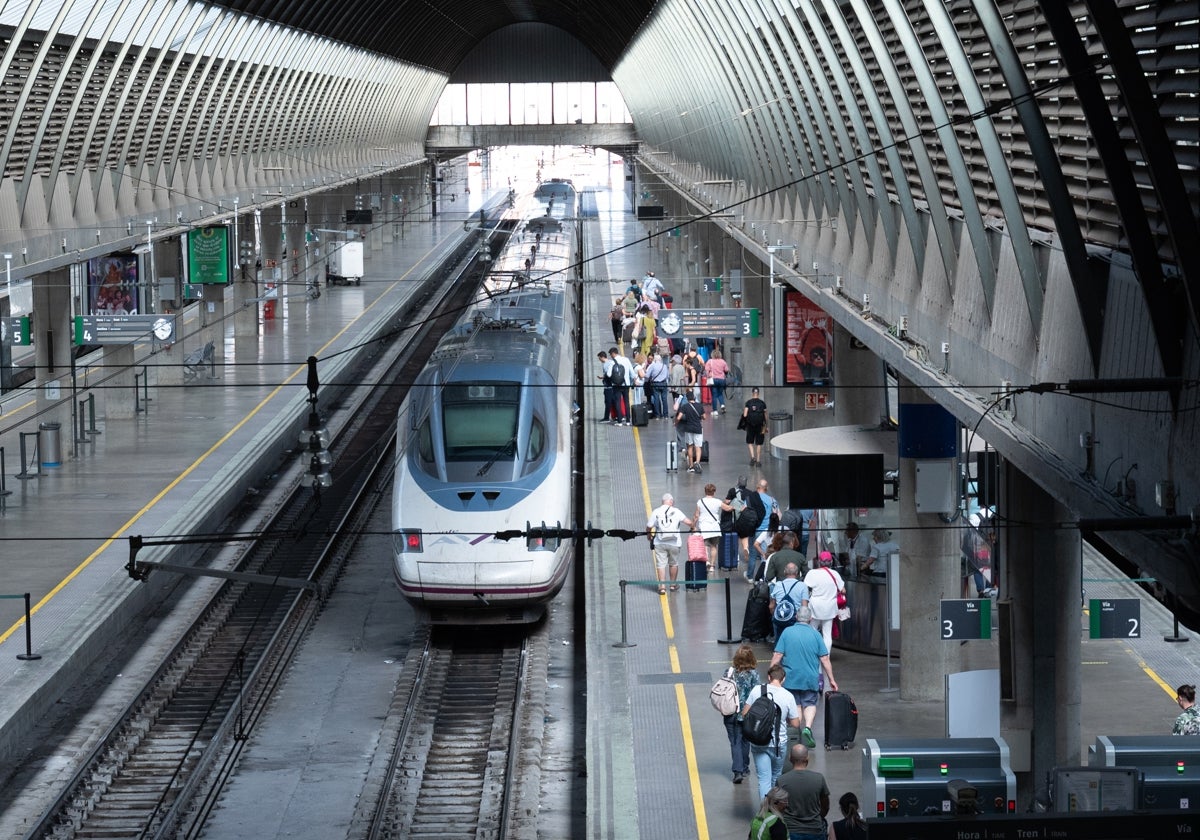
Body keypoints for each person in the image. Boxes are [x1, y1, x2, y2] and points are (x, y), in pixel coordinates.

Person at [772, 605, 838, 749]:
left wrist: (772, 673)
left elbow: (777, 655)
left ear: (796, 617)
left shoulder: (787, 632)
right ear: (810, 619)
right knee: (809, 703)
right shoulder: (816, 635)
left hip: (790, 679)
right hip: (810, 678)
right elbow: (825, 659)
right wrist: (831, 679)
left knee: (795, 705)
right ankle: (808, 728)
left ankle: (795, 734)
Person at [743, 664, 801, 799]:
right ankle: (775, 811)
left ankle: (764, 815)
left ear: (769, 677)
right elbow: (796, 723)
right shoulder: (788, 696)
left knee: (763, 780)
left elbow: (745, 713)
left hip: (759, 741)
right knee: (776, 778)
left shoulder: (757, 690)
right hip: (778, 744)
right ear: (783, 679)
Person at [775, 743, 830, 840]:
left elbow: (777, 808)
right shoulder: (819, 778)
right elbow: (825, 806)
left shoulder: (781, 780)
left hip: (791, 831)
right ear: (807, 758)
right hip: (815, 830)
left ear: (790, 758)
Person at [724, 644, 761, 784]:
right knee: (745, 740)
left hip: (730, 712)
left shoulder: (729, 672)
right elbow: (757, 694)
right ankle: (745, 768)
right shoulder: (754, 674)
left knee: (735, 741)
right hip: (747, 714)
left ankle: (737, 771)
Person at [646, 492, 693, 594]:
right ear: (671, 502)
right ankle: (672, 585)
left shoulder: (656, 511)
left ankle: (662, 587)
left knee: (661, 565)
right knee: (673, 563)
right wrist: (693, 527)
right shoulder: (676, 511)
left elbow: (649, 526)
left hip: (660, 542)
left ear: (662, 502)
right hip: (675, 543)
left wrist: (649, 535)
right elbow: (689, 522)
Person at [804, 552, 845, 652]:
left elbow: (805, 587)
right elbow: (843, 590)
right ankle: (826, 656)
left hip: (815, 606)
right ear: (831, 562)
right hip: (830, 607)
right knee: (827, 634)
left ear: (819, 562)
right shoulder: (835, 574)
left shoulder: (812, 573)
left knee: (813, 631)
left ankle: (813, 654)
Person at [769, 563, 808, 642]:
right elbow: (804, 607)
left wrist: (775, 616)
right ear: (797, 573)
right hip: (795, 620)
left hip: (780, 620)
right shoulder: (802, 586)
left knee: (780, 642)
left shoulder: (778, 585)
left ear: (784, 572)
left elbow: (771, 606)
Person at [694, 483, 724, 572]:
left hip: (704, 527)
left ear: (705, 491)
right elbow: (727, 508)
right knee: (714, 546)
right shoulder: (718, 501)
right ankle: (712, 566)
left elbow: (696, 515)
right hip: (715, 527)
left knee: (704, 545)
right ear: (714, 492)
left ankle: (706, 560)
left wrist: (693, 525)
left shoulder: (700, 502)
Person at [750, 478, 779, 570]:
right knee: (765, 553)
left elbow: (744, 511)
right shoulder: (772, 500)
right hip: (767, 530)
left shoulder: (751, 498)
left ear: (758, 486)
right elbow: (776, 513)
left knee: (753, 554)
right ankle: (764, 573)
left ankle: (750, 576)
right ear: (766, 488)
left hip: (754, 528)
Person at [675, 393, 705, 474]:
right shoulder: (700, 406)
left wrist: (676, 423)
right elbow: (704, 417)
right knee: (698, 447)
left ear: (687, 399)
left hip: (689, 429)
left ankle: (691, 466)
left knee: (690, 447)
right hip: (698, 428)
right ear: (694, 398)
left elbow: (678, 417)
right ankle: (697, 463)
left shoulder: (685, 406)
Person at [608, 346, 635, 425]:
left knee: (618, 402)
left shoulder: (612, 362)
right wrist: (633, 379)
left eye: (611, 354)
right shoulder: (626, 360)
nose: (611, 356)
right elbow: (632, 373)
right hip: (626, 384)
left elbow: (609, 374)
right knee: (627, 402)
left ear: (613, 353)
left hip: (616, 385)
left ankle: (619, 421)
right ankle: (628, 421)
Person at [742, 387, 769, 466]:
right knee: (759, 443)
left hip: (750, 425)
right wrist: (766, 426)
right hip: (761, 425)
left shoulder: (748, 403)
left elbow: (745, 414)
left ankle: (752, 457)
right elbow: (765, 416)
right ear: (758, 393)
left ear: (752, 393)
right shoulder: (762, 403)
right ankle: (758, 461)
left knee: (750, 442)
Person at [645, 352, 671, 419]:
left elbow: (647, 375)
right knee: (664, 399)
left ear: (655, 360)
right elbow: (667, 376)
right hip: (663, 383)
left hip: (655, 384)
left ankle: (657, 415)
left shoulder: (653, 366)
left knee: (656, 399)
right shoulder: (664, 366)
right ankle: (666, 415)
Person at [705, 348, 730, 414]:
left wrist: (708, 376)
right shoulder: (723, 361)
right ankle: (722, 405)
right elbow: (727, 370)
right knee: (720, 394)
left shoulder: (710, 361)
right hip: (722, 380)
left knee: (714, 395)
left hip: (713, 380)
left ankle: (715, 410)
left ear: (712, 355)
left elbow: (707, 370)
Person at [596, 351, 618, 422]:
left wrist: (604, 377)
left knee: (608, 402)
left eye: (599, 358)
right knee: (614, 402)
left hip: (608, 387)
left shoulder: (605, 364)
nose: (599, 360)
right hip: (613, 386)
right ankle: (618, 416)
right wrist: (602, 377)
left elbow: (608, 375)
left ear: (602, 357)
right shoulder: (611, 362)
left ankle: (606, 418)